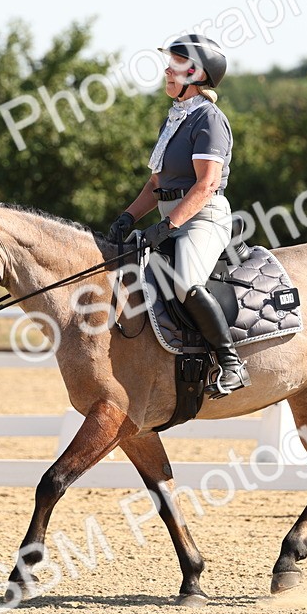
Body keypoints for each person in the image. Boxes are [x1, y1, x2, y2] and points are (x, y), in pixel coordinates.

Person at [107, 34, 250, 398]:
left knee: (185, 281)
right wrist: (128, 217)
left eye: (176, 65)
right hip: (171, 218)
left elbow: (205, 185)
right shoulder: (174, 119)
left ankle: (232, 363)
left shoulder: (209, 119)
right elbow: (157, 183)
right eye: (169, 63)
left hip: (203, 218)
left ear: (197, 74)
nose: (167, 71)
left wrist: (167, 226)